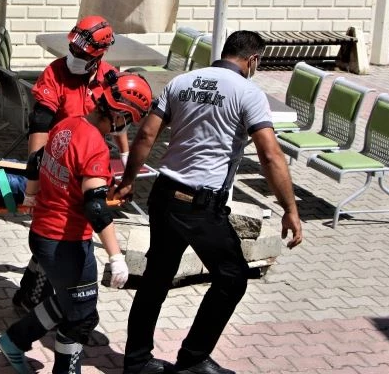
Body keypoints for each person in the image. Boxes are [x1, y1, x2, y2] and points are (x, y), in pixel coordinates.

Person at [117, 31, 303, 374]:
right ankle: (193, 358)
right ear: (253, 60)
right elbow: (270, 155)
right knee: (232, 277)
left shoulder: (181, 82)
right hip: (200, 205)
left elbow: (145, 135)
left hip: (164, 193)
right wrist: (290, 209)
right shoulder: (248, 92)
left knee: (156, 277)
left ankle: (137, 360)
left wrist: (128, 181)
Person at [0, 72, 154, 374]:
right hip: (65, 242)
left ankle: (15, 340)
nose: (126, 127)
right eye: (129, 121)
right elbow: (95, 208)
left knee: (72, 304)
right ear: (120, 115)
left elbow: (35, 161)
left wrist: (31, 196)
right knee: (82, 316)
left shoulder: (67, 124)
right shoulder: (95, 148)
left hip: (44, 233)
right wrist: (116, 256)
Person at [12, 15, 131, 314]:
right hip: (57, 159)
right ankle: (53, 303)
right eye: (73, 50)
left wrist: (127, 167)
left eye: (82, 54)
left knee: (64, 227)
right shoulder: (56, 72)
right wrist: (35, 174)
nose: (74, 57)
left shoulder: (109, 77)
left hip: (86, 162)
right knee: (64, 227)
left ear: (99, 55)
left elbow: (119, 120)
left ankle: (31, 292)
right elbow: (40, 121)